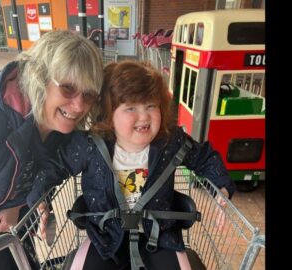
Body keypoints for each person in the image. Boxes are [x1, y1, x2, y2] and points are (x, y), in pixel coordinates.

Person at [53, 60, 236, 270]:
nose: (144, 116)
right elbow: (56, 165)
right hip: (106, 236)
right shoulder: (90, 145)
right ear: (109, 114)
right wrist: (40, 200)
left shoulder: (170, 141)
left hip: (159, 236)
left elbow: (204, 157)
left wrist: (221, 187)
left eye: (151, 105)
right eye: (130, 108)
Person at [0, 30, 103, 269]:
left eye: (89, 94)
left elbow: (38, 174)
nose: (79, 105)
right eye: (68, 88)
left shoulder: (60, 133)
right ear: (40, 78)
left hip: (11, 227)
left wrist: (20, 205)